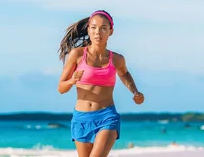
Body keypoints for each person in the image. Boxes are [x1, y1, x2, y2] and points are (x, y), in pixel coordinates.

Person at [57, 10, 145, 157]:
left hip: (107, 116)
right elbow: (61, 88)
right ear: (88, 29)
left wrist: (135, 92)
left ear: (111, 32)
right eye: (94, 27)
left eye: (103, 28)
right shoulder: (77, 55)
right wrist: (72, 80)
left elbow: (124, 74)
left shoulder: (117, 59)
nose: (98, 32)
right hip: (81, 118)